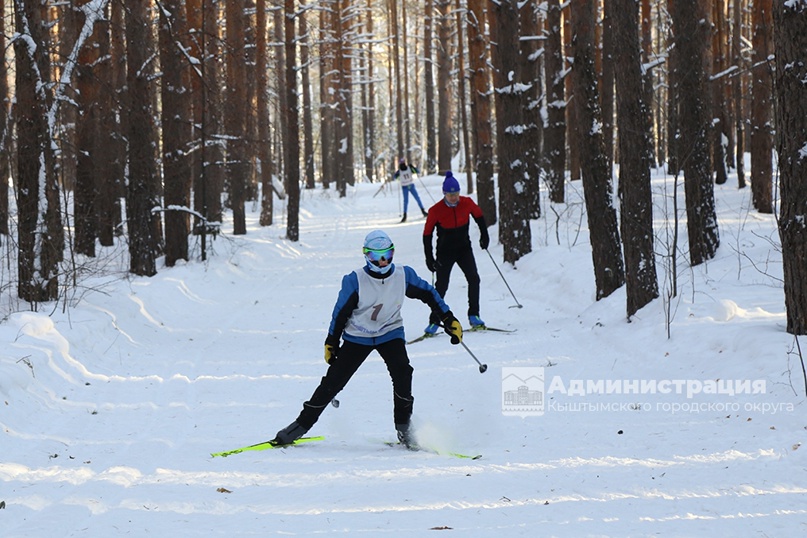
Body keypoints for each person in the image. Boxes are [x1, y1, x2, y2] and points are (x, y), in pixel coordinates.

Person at [272, 230, 463, 448]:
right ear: (366, 255)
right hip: (358, 336)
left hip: (389, 332)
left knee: (403, 372)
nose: (382, 262)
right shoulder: (355, 280)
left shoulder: (403, 275)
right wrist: (332, 342)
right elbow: (340, 313)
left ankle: (404, 428)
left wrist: (448, 318)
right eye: (376, 257)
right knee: (334, 381)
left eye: (387, 255)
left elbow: (429, 293)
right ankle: (301, 425)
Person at [422, 171, 490, 335]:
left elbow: (479, 216)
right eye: (450, 195)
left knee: (474, 278)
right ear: (444, 193)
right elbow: (427, 234)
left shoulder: (466, 203)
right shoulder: (435, 210)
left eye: (456, 194)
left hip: (464, 249)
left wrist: (484, 235)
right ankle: (434, 321)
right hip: (445, 252)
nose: (454, 198)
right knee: (441, 286)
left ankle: (474, 315)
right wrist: (429, 258)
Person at [394, 158, 428, 222]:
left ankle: (423, 211)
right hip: (405, 186)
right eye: (401, 163)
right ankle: (405, 215)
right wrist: (397, 175)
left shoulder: (409, 168)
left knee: (417, 198)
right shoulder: (399, 171)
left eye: (403, 162)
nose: (403, 164)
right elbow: (395, 177)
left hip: (410, 185)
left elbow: (417, 172)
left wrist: (413, 167)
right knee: (406, 201)